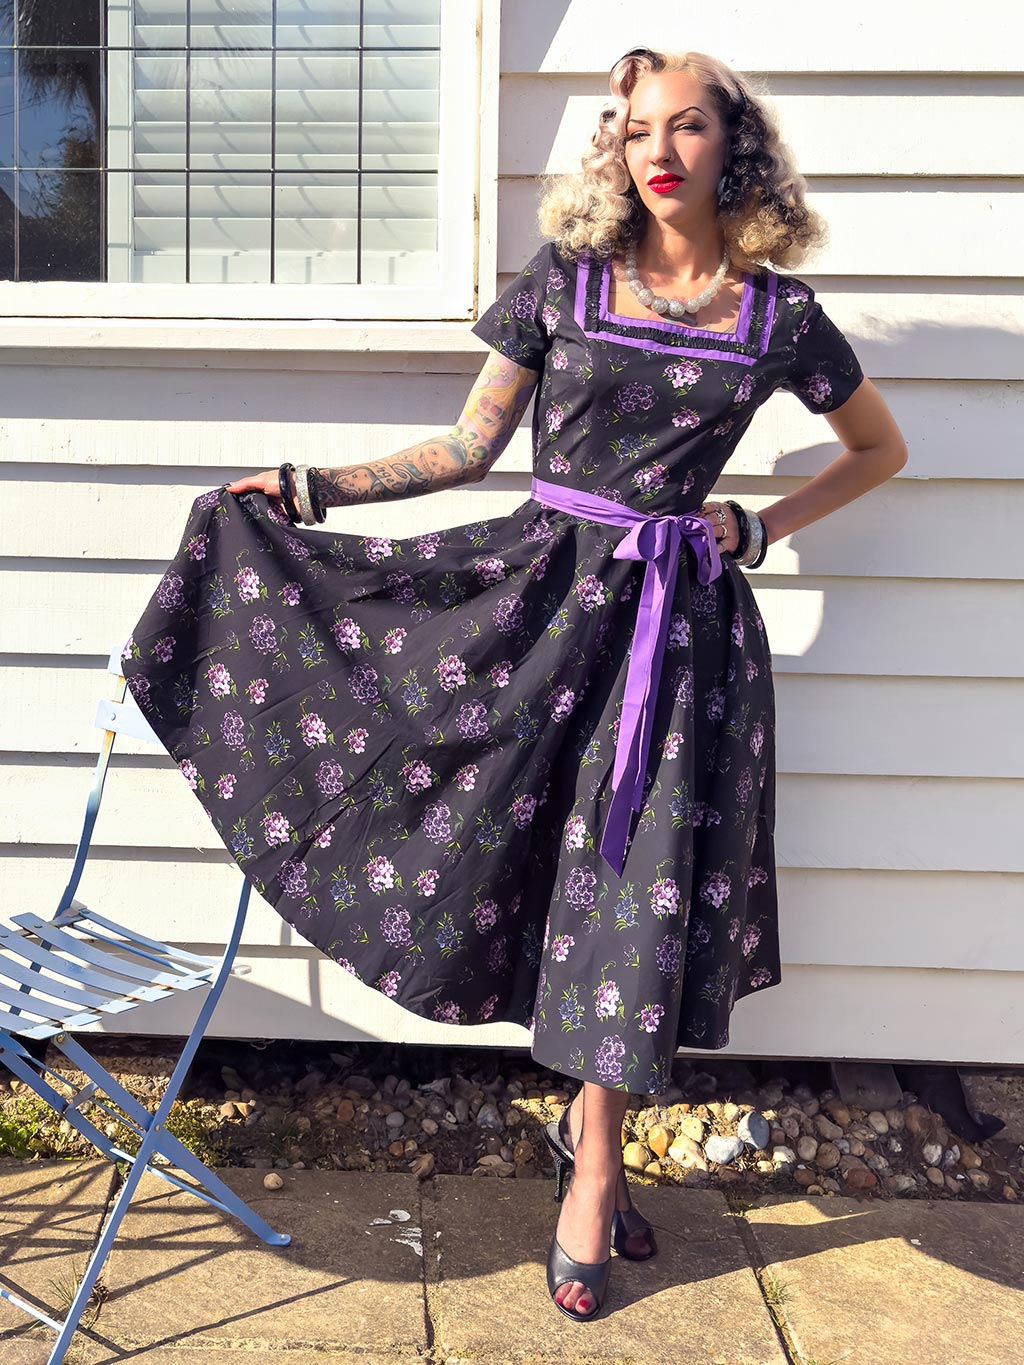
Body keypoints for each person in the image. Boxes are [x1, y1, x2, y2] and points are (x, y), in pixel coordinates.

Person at [122, 46, 907, 1324]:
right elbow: (466, 445)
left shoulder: (778, 319)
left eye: (691, 126)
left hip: (676, 641)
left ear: (736, 149)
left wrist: (752, 529)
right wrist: (308, 490)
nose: (660, 148)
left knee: (631, 896)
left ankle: (592, 1173)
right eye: (638, 127)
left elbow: (880, 449)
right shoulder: (564, 282)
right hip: (535, 609)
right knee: (498, 850)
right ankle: (586, 1151)